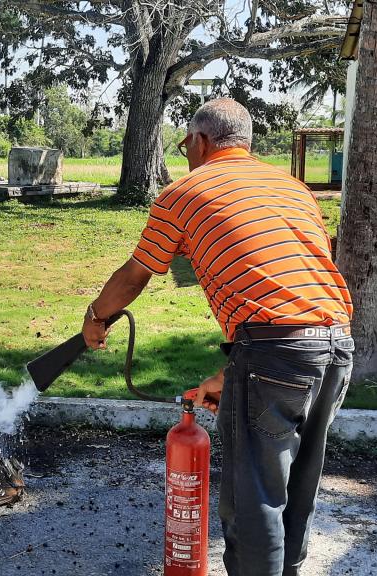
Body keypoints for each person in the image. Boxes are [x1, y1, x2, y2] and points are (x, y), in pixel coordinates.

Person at [82, 98, 354, 576]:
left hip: (274, 350)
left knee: (254, 501)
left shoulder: (184, 192)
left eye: (185, 144)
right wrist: (232, 376)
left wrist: (96, 317)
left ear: (201, 141)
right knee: (296, 491)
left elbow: (135, 275)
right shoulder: (294, 189)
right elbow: (292, 292)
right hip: (335, 346)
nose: (186, 153)